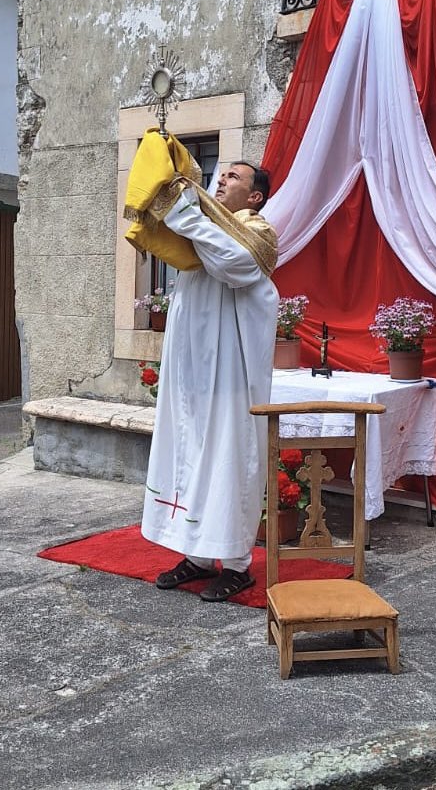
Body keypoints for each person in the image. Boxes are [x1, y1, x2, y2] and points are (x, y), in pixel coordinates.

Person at [140, 161, 279, 601]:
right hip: (194, 369)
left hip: (232, 375)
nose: (220, 182)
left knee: (229, 457)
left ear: (255, 196)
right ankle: (197, 555)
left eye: (233, 178)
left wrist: (185, 209)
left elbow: (230, 264)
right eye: (218, 176)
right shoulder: (208, 229)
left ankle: (237, 563)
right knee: (190, 449)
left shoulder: (256, 235)